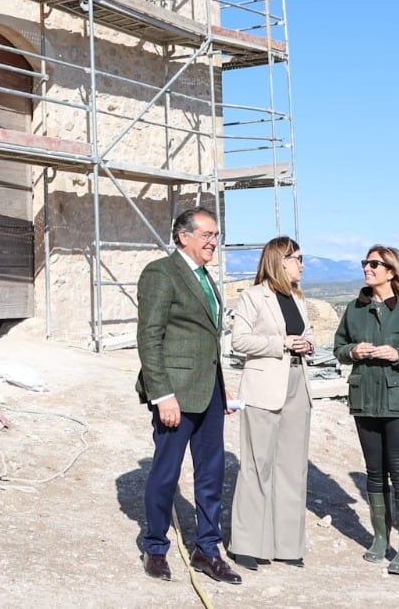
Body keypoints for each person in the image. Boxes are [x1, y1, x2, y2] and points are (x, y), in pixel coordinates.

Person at [134, 207, 242, 585]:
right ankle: (155, 546)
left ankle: (207, 549)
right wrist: (162, 394)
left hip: (209, 392)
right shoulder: (161, 273)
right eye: (207, 235)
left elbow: (205, 341)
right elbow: (150, 338)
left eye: (216, 235)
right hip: (174, 395)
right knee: (166, 474)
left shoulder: (205, 278)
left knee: (211, 474)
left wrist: (221, 390)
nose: (214, 241)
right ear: (183, 236)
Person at [332, 245, 399, 575]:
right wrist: (354, 351)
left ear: (391, 271)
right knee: (374, 471)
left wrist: (398, 356)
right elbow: (338, 348)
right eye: (365, 262)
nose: (367, 267)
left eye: (374, 264)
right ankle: (380, 539)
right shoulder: (354, 308)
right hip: (365, 400)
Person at [227, 235, 314, 570]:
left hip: (297, 384)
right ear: (281, 259)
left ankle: (287, 546)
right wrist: (281, 343)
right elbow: (240, 340)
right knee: (256, 466)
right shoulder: (253, 296)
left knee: (292, 468)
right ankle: (247, 544)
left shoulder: (298, 297)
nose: (302, 264)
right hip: (264, 385)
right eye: (298, 258)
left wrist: (307, 344)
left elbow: (307, 335)